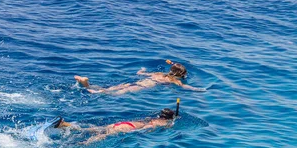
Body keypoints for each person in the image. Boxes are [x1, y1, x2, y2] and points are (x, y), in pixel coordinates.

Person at [75, 60, 203, 95]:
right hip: (142, 87)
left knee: (113, 88)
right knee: (115, 93)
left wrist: (142, 70)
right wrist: (198, 89)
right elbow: (186, 86)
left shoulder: (159, 74)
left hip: (139, 81)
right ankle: (94, 91)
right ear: (180, 75)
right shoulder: (172, 80)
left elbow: (140, 74)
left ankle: (87, 83)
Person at [56, 107, 177, 144]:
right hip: (127, 128)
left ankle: (65, 125)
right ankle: (84, 143)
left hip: (122, 123)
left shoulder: (151, 118)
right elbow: (145, 129)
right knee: (103, 136)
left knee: (93, 129)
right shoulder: (157, 124)